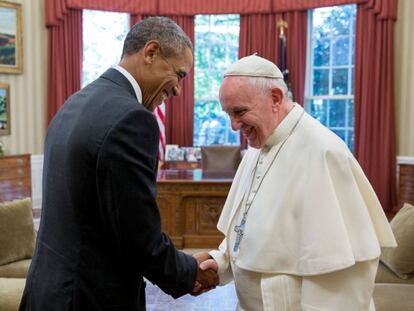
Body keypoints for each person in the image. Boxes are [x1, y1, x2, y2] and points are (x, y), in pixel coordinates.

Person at [19, 17, 217, 311]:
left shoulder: (75, 103)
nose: (177, 90)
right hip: (89, 299)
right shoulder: (131, 119)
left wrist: (182, 262)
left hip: (46, 292)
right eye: (179, 74)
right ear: (150, 52)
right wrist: (187, 272)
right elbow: (138, 236)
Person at [194, 54, 397, 310]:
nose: (234, 125)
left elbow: (340, 272)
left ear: (276, 98)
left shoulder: (323, 152)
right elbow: (245, 227)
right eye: (228, 114)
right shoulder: (258, 148)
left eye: (240, 112)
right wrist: (221, 260)